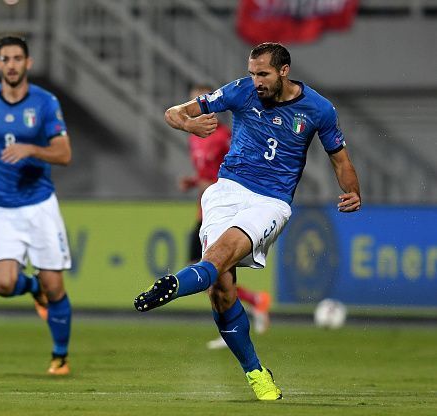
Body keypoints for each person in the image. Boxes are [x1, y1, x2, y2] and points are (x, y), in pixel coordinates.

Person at [134, 42, 361, 400]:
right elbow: (173, 112)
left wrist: (352, 191)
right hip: (226, 192)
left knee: (220, 254)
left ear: (284, 71)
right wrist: (188, 124)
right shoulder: (240, 90)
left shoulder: (318, 108)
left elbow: (339, 158)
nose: (256, 81)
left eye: (263, 74)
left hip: (271, 201)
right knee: (220, 290)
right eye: (253, 73)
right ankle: (256, 372)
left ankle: (173, 285)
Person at [0, 35, 73, 376]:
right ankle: (32, 287)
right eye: (5, 59)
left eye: (17, 58)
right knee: (2, 284)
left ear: (28, 63)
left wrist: (32, 149)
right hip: (2, 210)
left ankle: (60, 357)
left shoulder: (45, 102)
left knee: (56, 287)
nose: (11, 64)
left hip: (39, 206)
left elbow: (65, 154)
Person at [180, 85, 272, 346]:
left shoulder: (225, 136)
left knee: (211, 270)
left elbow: (234, 171)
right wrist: (193, 181)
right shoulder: (194, 136)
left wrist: (207, 182)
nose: (199, 107)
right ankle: (251, 305)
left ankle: (236, 322)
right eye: (193, 102)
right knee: (202, 268)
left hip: (224, 210)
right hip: (204, 210)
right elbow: (205, 173)